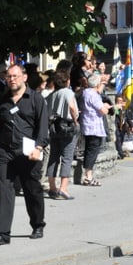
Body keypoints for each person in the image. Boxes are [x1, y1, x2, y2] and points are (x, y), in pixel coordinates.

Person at [0, 64, 49, 246]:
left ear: (24, 77)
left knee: (32, 189)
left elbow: (43, 127)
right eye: (9, 76)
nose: (12, 79)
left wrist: (39, 148)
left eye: (15, 76)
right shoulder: (3, 99)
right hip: (5, 152)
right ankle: (2, 234)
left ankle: (38, 224)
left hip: (28, 152)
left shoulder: (36, 99)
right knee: (5, 189)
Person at [46, 69, 78, 200]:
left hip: (54, 128)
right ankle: (63, 188)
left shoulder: (51, 95)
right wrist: (75, 119)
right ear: (67, 81)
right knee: (67, 157)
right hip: (67, 126)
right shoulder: (68, 92)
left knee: (53, 157)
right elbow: (71, 107)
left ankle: (52, 187)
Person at [78, 72, 111, 186]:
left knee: (89, 150)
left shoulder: (85, 93)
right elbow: (102, 110)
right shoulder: (93, 95)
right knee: (92, 152)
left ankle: (87, 175)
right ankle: (88, 176)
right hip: (94, 127)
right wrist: (106, 106)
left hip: (87, 125)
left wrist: (102, 83)